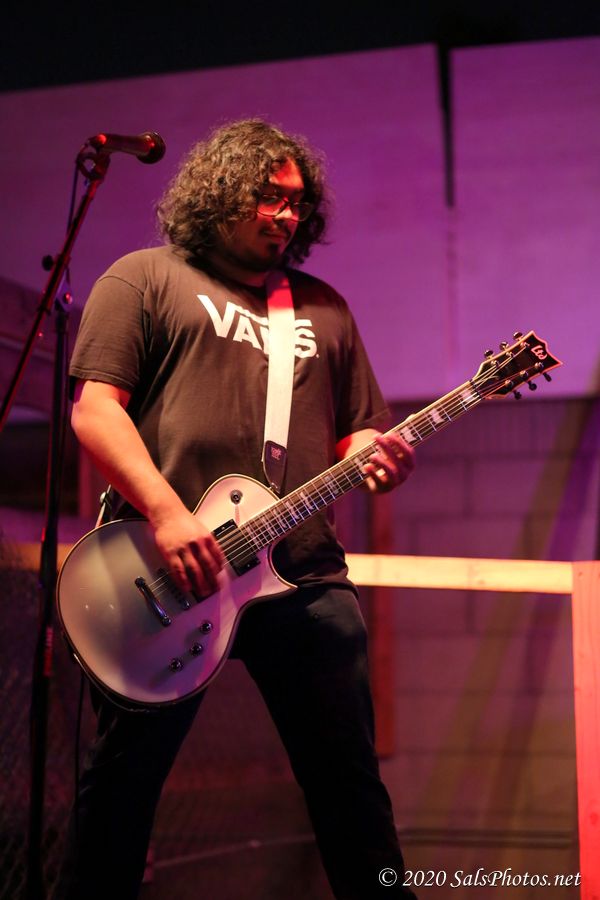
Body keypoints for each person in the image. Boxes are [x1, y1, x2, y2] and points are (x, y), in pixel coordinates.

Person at [54, 118, 418, 899]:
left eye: (298, 202)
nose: (288, 214)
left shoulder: (323, 309)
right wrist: (167, 513)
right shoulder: (144, 278)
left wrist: (375, 455)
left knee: (352, 793)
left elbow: (358, 431)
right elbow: (95, 411)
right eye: (269, 196)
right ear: (221, 190)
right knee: (121, 788)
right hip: (167, 567)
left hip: (302, 575)